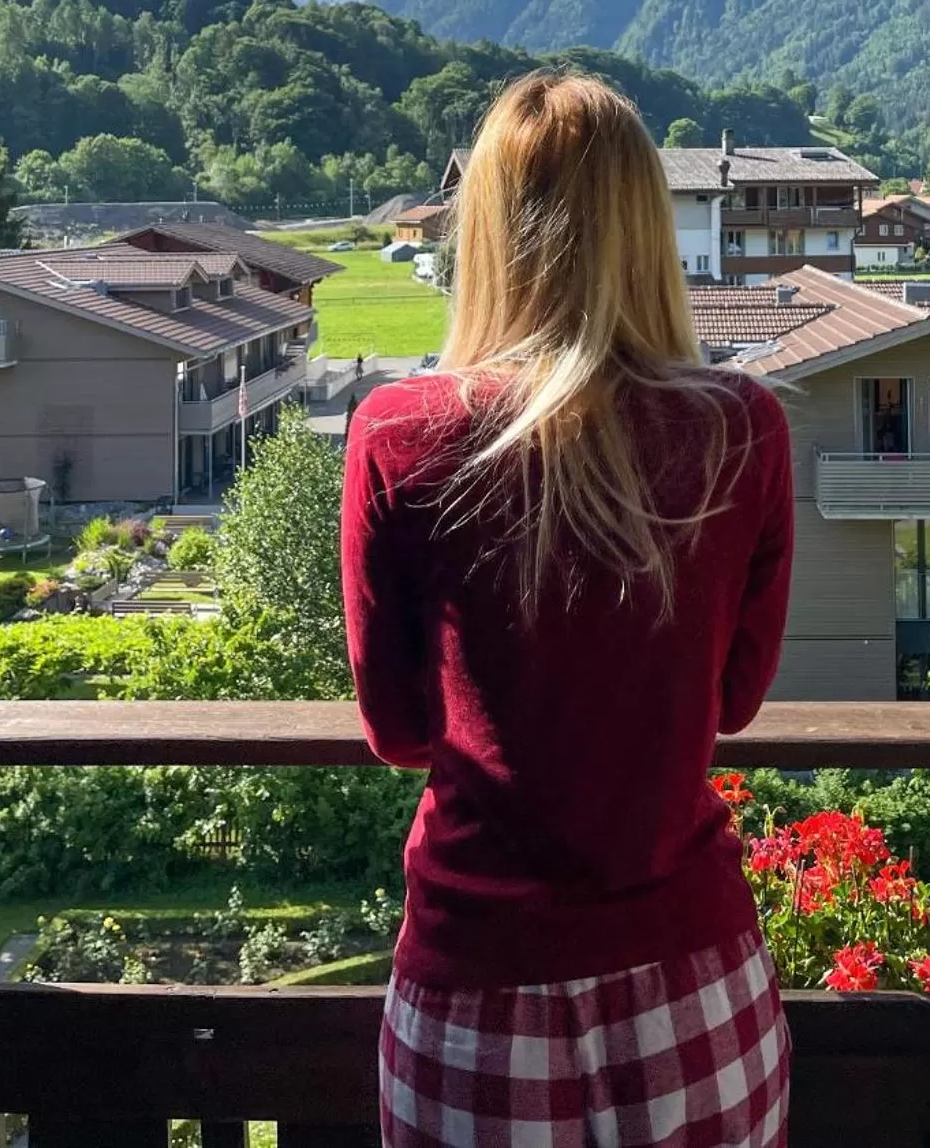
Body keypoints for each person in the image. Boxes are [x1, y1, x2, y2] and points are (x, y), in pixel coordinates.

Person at [343, 72, 794, 1148]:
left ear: (485, 230)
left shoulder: (397, 433)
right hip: (692, 981)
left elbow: (400, 730)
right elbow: (733, 701)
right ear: (647, 222)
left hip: (474, 989)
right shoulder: (742, 427)